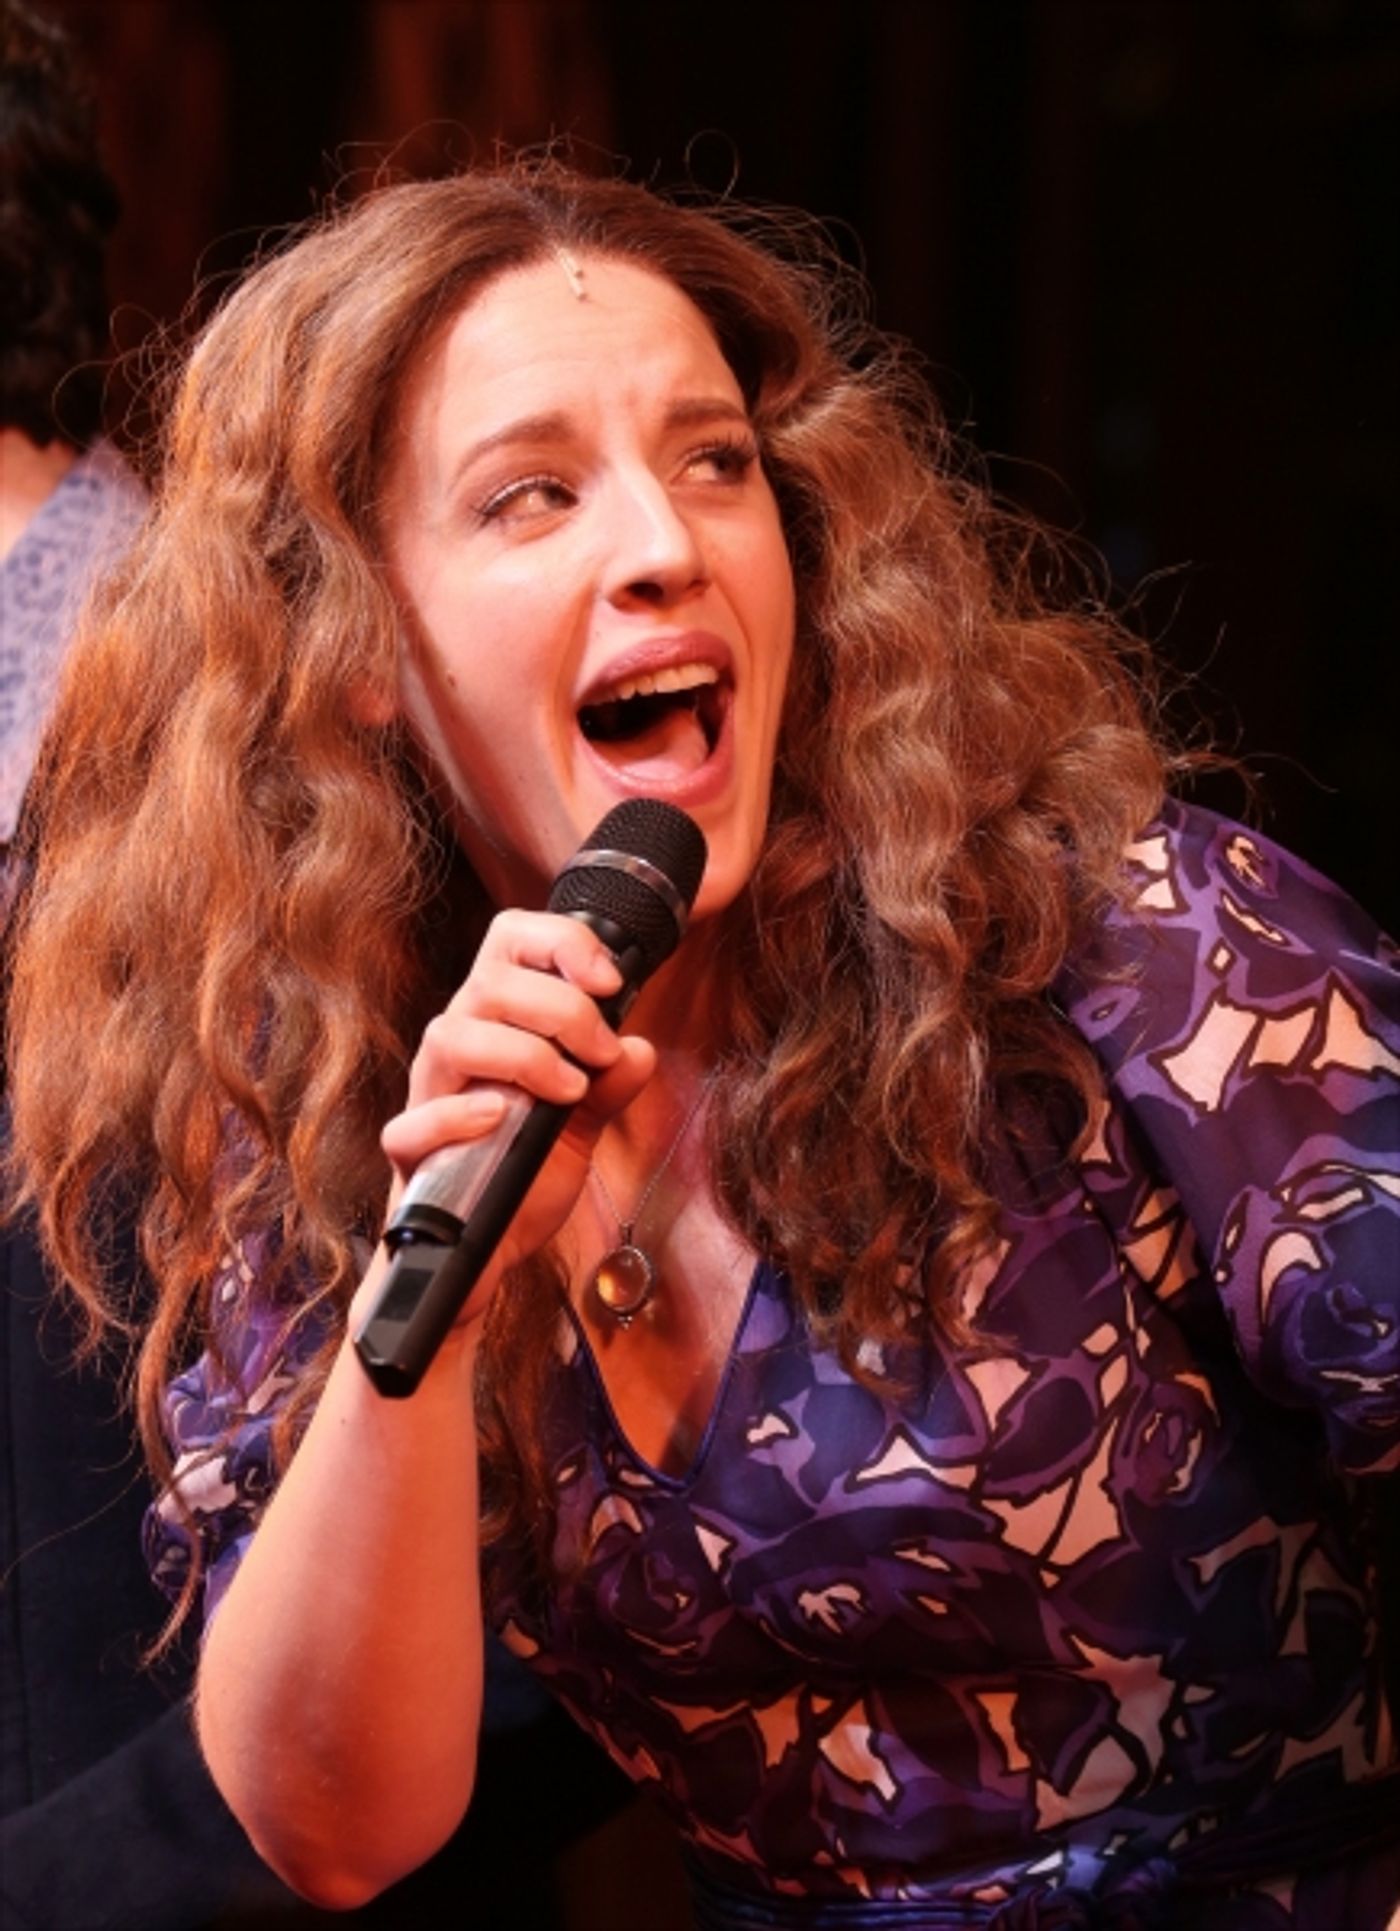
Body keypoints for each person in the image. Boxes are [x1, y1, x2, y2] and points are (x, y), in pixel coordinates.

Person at [5, 159, 1396, 1929]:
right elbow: (331, 1825)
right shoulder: (334, 1104)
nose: (666, 546)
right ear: (356, 640)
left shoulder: (1116, 949)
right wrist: (418, 1321)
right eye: (533, 496)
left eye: (715, 462)